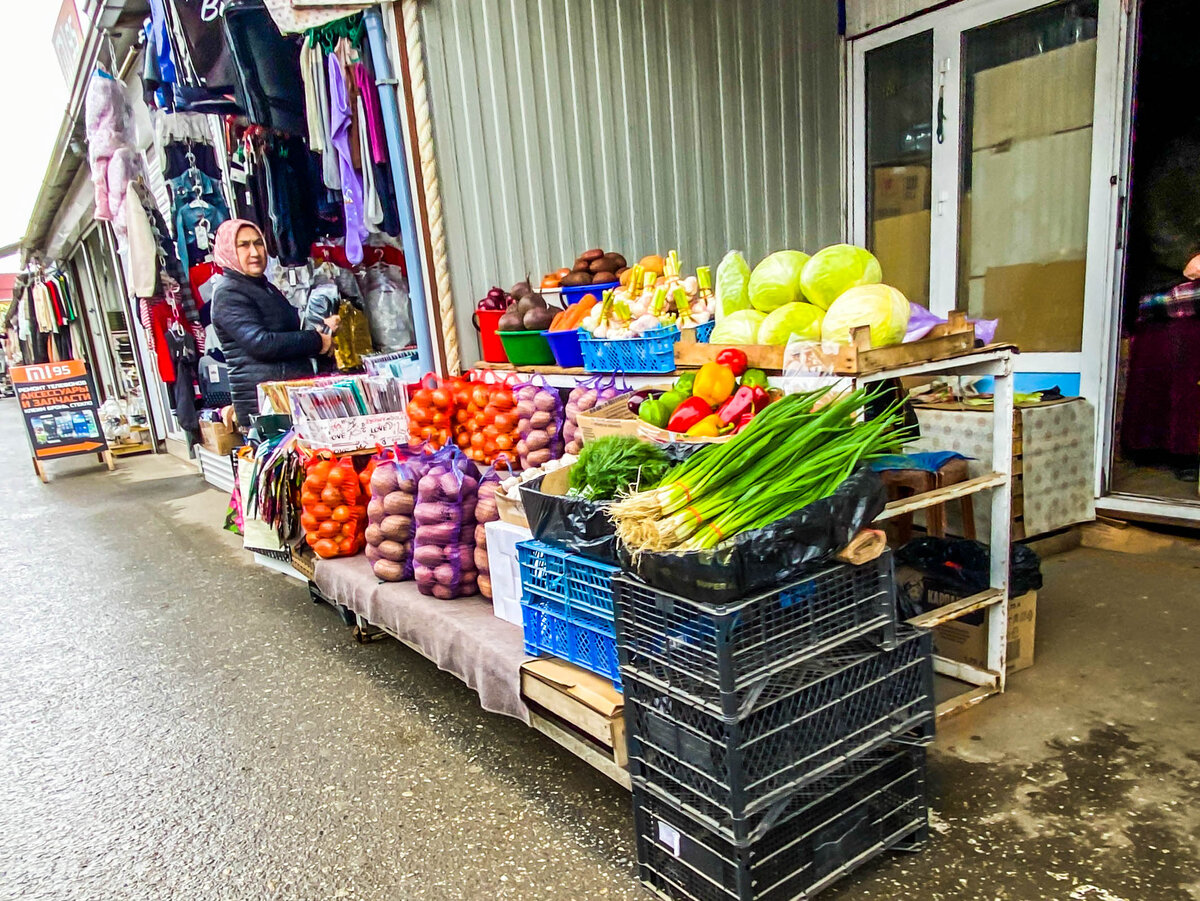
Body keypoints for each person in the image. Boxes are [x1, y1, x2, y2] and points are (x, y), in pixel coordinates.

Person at [210, 219, 338, 427]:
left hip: (285, 401)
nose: (254, 252)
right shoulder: (228, 292)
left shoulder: (263, 287)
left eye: (258, 243)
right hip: (265, 408)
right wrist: (316, 341)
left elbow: (288, 329)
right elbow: (261, 343)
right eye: (243, 245)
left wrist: (322, 328)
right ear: (228, 250)